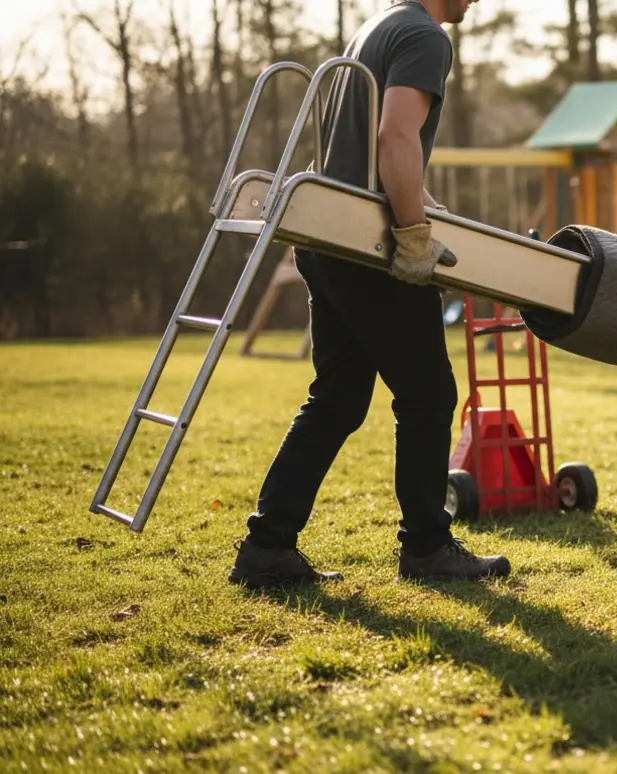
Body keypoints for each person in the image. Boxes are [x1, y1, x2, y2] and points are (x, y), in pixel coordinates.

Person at [228, 0, 512, 588]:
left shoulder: (374, 29)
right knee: (429, 394)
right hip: (368, 247)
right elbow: (394, 138)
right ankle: (428, 549)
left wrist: (429, 210)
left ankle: (266, 548)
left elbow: (362, 149)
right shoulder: (426, 37)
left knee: (337, 398)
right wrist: (412, 235)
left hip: (326, 239)